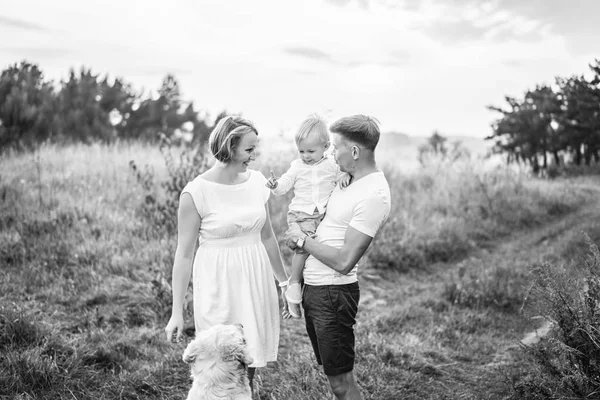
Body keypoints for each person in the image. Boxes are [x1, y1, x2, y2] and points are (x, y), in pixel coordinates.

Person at [164, 115, 290, 393]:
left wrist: (284, 283)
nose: (254, 156)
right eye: (249, 149)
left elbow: (267, 236)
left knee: (251, 356)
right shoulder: (195, 193)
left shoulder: (257, 182)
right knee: (217, 362)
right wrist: (176, 312)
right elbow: (184, 255)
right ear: (230, 147)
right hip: (217, 282)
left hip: (254, 276)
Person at [284, 115, 391, 400]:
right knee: (334, 379)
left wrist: (302, 240)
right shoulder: (349, 179)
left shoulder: (373, 194)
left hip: (333, 293)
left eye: (336, 148)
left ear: (354, 151)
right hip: (316, 290)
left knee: (342, 383)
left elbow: (345, 262)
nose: (331, 154)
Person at [265, 115, 349, 319]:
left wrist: (345, 176)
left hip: (321, 214)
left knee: (314, 251)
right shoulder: (297, 167)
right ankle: (294, 285)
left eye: (311, 151)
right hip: (301, 214)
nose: (305, 156)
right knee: (304, 247)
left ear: (327, 146)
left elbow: (341, 177)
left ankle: (297, 294)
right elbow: (285, 184)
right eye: (301, 151)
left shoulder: (331, 165)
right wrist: (275, 186)